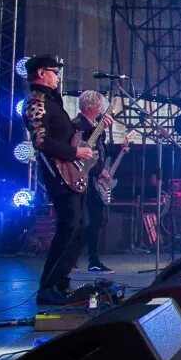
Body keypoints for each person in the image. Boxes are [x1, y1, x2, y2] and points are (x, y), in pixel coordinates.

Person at [23, 55, 95, 305]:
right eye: (54, 72)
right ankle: (48, 285)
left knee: (78, 227)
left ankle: (61, 283)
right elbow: (41, 141)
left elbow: (65, 133)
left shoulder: (54, 100)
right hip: (59, 174)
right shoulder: (36, 101)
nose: (58, 76)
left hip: (72, 171)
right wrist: (75, 153)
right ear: (42, 73)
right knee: (68, 227)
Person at [73, 90, 114, 273]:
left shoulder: (92, 125)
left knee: (98, 218)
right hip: (82, 178)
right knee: (82, 220)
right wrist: (99, 170)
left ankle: (90, 259)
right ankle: (84, 259)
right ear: (94, 106)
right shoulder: (77, 125)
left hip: (93, 179)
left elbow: (97, 149)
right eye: (100, 105)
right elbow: (84, 153)